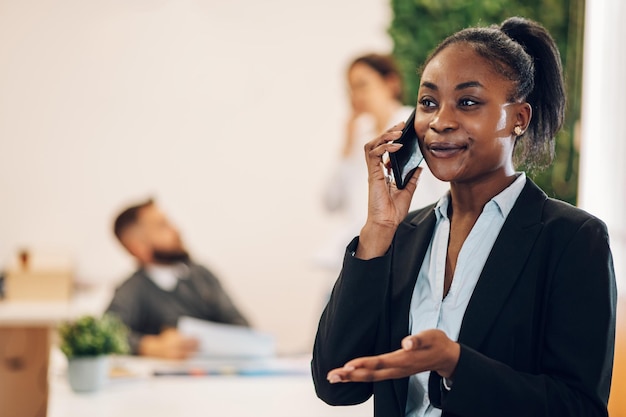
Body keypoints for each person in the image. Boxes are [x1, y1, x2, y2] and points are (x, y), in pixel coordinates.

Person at [312, 16, 617, 417]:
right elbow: (336, 384)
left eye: (468, 102)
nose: (440, 122)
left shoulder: (572, 239)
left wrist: (456, 364)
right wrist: (377, 232)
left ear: (518, 118)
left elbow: (579, 408)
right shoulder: (401, 237)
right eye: (428, 103)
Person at [315, 53, 448, 273]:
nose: (357, 96)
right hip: (364, 253)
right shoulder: (359, 136)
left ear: (390, 83)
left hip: (408, 252)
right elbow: (330, 202)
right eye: (351, 89)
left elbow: (442, 190)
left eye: (363, 85)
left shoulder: (416, 126)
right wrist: (346, 147)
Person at [105, 199, 249, 360]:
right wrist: (150, 346)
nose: (176, 230)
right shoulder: (132, 290)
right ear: (139, 247)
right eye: (163, 226)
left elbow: (243, 328)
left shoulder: (203, 276)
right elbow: (106, 335)